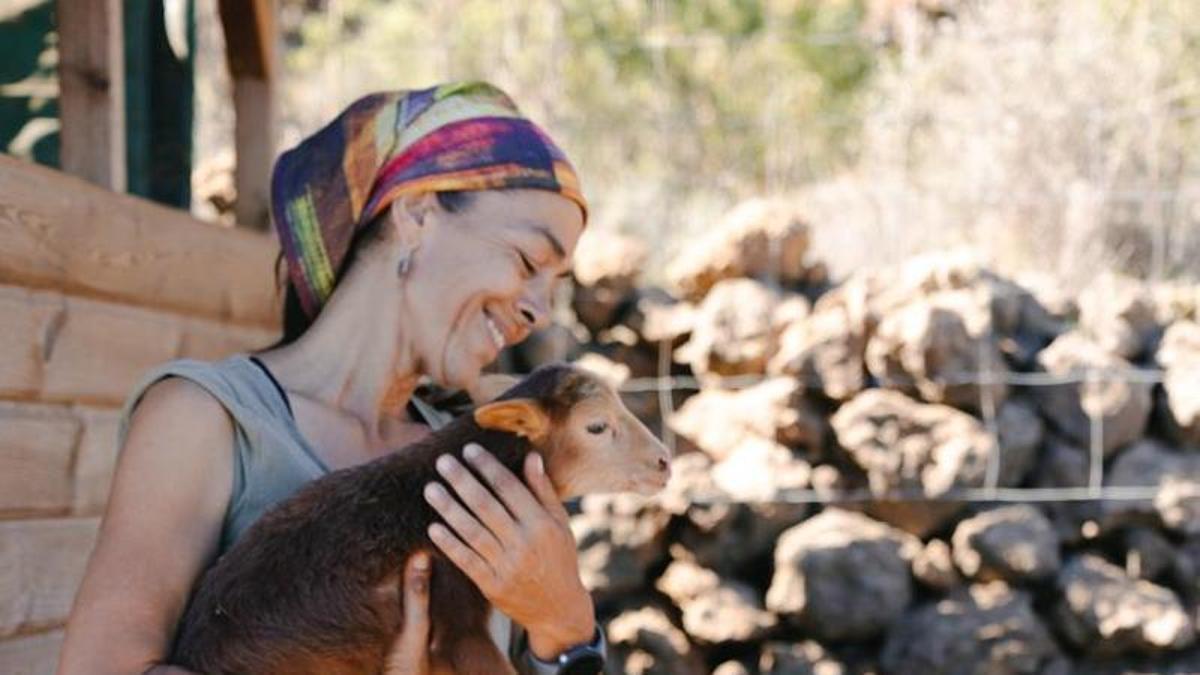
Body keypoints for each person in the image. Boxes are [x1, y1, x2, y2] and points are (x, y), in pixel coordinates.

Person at [58, 81, 603, 675]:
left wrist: (568, 629)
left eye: (555, 285)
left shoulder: (480, 462)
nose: (539, 310)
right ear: (416, 214)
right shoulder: (213, 420)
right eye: (528, 262)